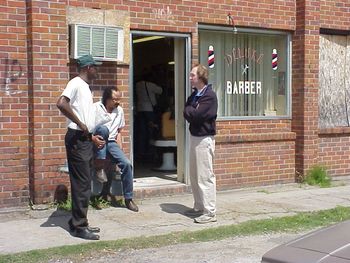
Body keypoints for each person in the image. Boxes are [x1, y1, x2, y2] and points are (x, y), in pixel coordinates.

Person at [56, 54, 104, 240]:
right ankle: (79, 226)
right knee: (82, 184)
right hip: (77, 138)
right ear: (87, 68)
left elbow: (84, 115)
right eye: (95, 67)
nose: (97, 70)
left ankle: (77, 221)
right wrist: (81, 124)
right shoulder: (76, 83)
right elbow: (61, 103)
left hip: (83, 138)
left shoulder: (85, 86)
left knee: (83, 182)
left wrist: (90, 135)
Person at [93, 87, 139, 212]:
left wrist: (120, 152)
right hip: (96, 141)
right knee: (103, 129)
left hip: (112, 142)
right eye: (115, 99)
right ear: (107, 99)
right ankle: (100, 168)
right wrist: (92, 139)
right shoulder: (96, 107)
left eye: (119, 99)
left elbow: (119, 132)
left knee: (127, 164)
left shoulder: (120, 111)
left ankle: (128, 199)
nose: (117, 102)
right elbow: (88, 127)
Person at [183, 64, 218, 224]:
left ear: (201, 77)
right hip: (194, 136)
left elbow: (197, 115)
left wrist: (192, 111)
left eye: (192, 75)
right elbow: (186, 111)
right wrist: (192, 110)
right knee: (195, 174)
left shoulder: (209, 96)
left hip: (204, 139)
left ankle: (210, 212)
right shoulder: (194, 95)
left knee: (205, 175)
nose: (190, 78)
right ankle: (198, 206)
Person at [135, 73, 163, 159]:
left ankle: (141, 152)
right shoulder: (151, 85)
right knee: (151, 130)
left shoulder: (137, 85)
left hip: (140, 109)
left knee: (142, 131)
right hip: (149, 109)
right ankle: (151, 152)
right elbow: (160, 90)